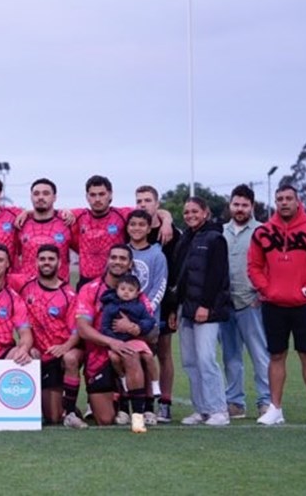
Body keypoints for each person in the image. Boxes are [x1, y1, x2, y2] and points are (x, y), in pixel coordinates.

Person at [249, 184, 306, 426]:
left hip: (305, 304)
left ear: (298, 201)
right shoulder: (263, 232)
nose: (284, 202)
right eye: (280, 199)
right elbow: (254, 266)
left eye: (288, 198)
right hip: (273, 304)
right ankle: (275, 408)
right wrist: (267, 289)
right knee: (276, 355)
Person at [73, 245, 151, 430]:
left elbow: (153, 329)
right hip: (98, 358)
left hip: (126, 352)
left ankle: (138, 418)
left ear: (130, 264)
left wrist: (134, 328)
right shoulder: (90, 289)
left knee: (130, 352)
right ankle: (120, 401)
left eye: (123, 258)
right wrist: (112, 342)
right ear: (107, 261)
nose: (117, 262)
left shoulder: (136, 293)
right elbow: (83, 329)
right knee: (105, 420)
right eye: (114, 257)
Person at [175, 197, 231, 427]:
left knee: (206, 359)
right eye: (186, 212)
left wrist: (205, 305)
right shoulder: (186, 238)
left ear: (205, 212)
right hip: (185, 310)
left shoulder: (215, 238)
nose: (190, 215)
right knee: (190, 361)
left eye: (195, 211)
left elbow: (217, 276)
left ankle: (219, 410)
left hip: (206, 310)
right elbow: (180, 277)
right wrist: (174, 308)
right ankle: (202, 410)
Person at [16, 245, 83, 428]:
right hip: (38, 354)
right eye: (43, 259)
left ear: (60, 263)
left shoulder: (68, 293)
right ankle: (61, 402)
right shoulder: (25, 285)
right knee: (51, 417)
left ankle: (69, 411)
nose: (46, 262)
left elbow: (77, 331)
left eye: (51, 259)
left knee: (70, 358)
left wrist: (65, 347)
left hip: (60, 353)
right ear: (36, 262)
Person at [220, 184, 270, 419]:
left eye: (244, 205)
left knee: (260, 354)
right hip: (226, 304)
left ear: (252, 206)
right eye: (236, 204)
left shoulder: (263, 231)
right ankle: (235, 403)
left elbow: (272, 267)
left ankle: (266, 401)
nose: (239, 209)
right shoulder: (221, 232)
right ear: (230, 205)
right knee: (231, 357)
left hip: (252, 303)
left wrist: (262, 294)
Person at [70, 176, 173, 289]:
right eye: (93, 195)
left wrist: (167, 221)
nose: (97, 199)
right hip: (86, 283)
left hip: (114, 283)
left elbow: (152, 212)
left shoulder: (122, 214)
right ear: (87, 197)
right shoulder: (78, 216)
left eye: (102, 194)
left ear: (110, 194)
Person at [135, 184, 181, 423]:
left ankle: (165, 402)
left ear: (157, 203)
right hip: (134, 307)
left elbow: (178, 273)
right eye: (139, 201)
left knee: (163, 352)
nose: (143, 205)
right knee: (139, 353)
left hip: (163, 303)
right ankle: (138, 401)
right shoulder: (132, 229)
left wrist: (173, 306)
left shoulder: (171, 233)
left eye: (147, 200)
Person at [100, 274, 158, 432]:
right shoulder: (110, 305)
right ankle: (125, 400)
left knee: (144, 356)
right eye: (123, 289)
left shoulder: (140, 305)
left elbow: (151, 322)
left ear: (137, 292)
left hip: (134, 341)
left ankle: (143, 408)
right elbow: (104, 327)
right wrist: (114, 341)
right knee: (115, 358)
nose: (126, 292)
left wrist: (135, 327)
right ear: (116, 289)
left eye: (130, 290)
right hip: (114, 343)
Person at [125, 209, 167, 423]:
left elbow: (160, 286)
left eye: (142, 224)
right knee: (126, 360)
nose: (137, 228)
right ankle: (126, 407)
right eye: (133, 224)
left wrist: (144, 312)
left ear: (149, 227)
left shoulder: (156, 255)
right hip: (124, 320)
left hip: (148, 319)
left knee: (146, 360)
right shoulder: (123, 252)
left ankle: (149, 408)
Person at [14, 178, 72, 284]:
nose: (40, 197)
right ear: (31, 197)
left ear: (54, 197)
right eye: (36, 194)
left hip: (59, 292)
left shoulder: (67, 222)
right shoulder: (21, 223)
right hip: (27, 290)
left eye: (46, 193)